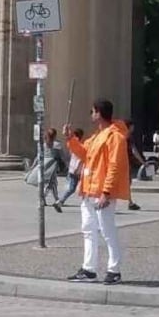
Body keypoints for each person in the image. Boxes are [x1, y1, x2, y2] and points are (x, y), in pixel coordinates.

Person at [64, 98, 129, 285]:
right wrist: (70, 139)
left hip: (101, 192)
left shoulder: (115, 137)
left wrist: (106, 192)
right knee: (88, 230)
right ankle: (89, 269)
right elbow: (84, 154)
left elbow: (115, 166)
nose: (91, 115)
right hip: (89, 190)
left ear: (99, 113)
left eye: (92, 111)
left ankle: (114, 270)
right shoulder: (96, 136)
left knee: (107, 230)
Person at [55, 127, 84, 210]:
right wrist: (77, 169)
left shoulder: (74, 144)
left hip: (73, 169)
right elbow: (80, 159)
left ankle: (61, 201)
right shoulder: (80, 145)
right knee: (72, 188)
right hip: (76, 170)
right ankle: (60, 201)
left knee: (76, 188)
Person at [123, 120, 144, 210]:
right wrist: (142, 162)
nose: (133, 128)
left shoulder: (120, 136)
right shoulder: (128, 137)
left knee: (126, 182)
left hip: (121, 161)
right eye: (132, 127)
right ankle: (130, 202)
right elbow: (134, 151)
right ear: (129, 127)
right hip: (125, 162)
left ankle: (130, 202)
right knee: (127, 182)